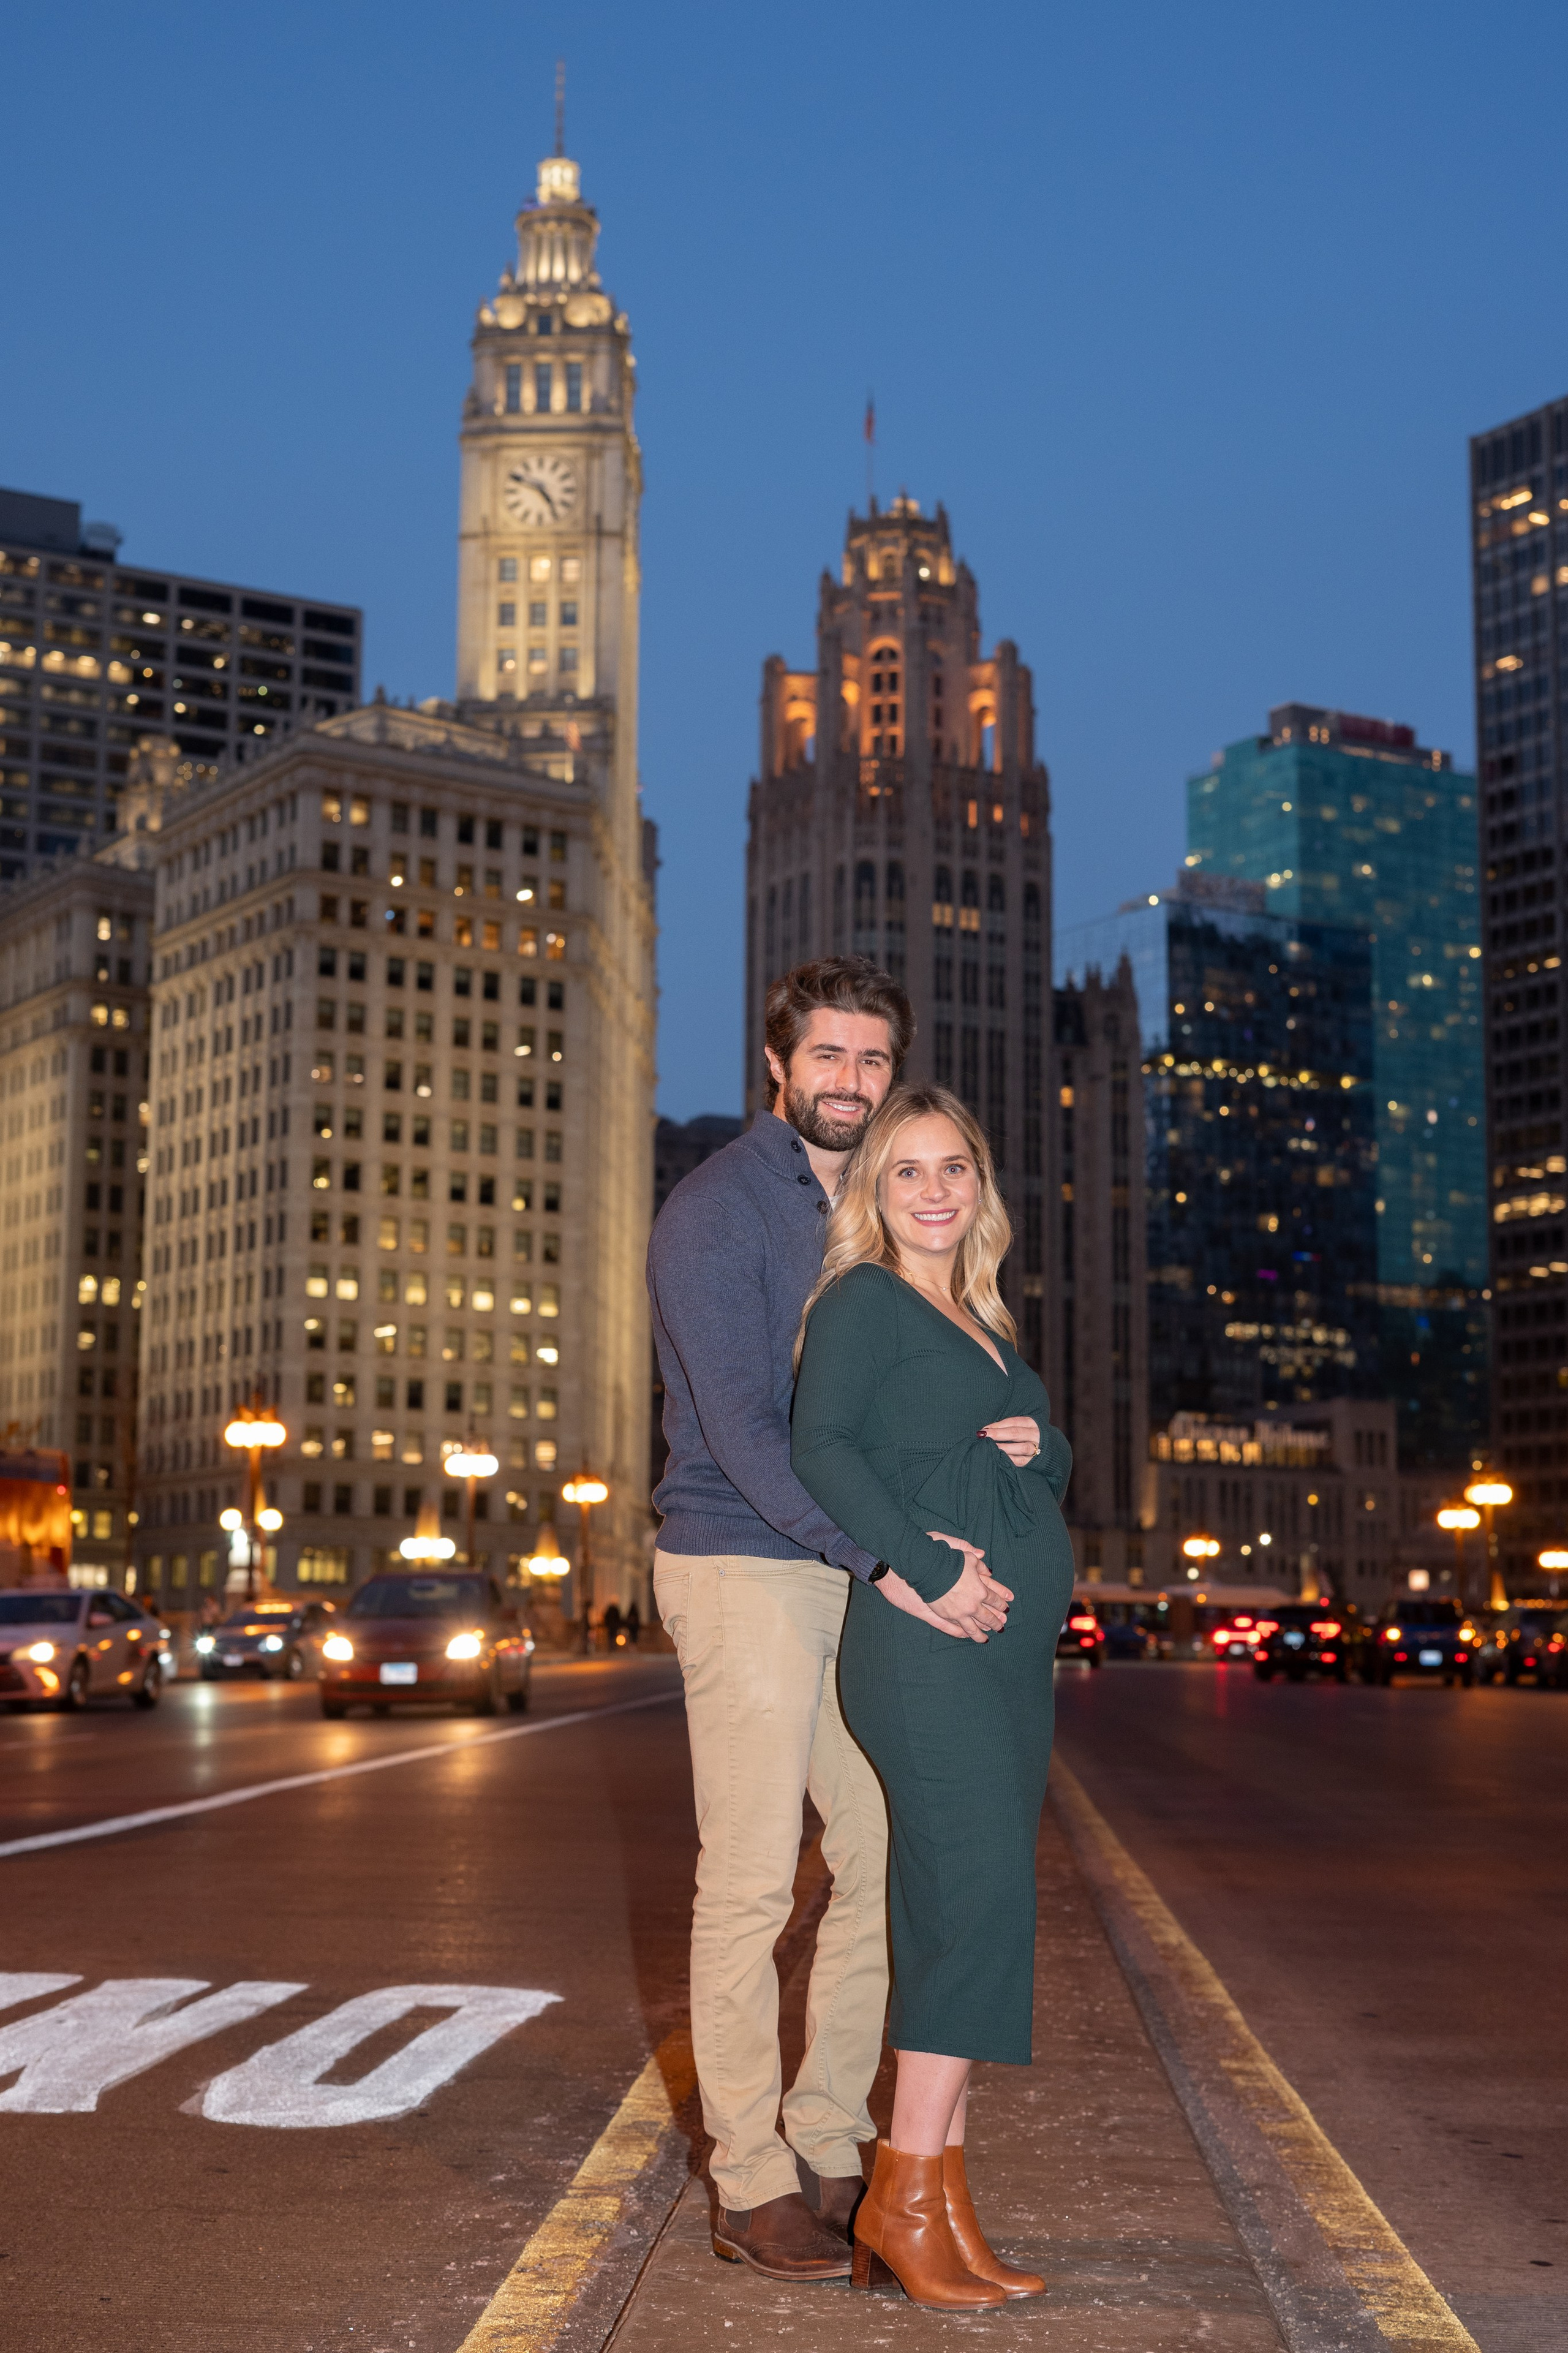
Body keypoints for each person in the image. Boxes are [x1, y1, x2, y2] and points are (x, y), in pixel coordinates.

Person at [647, 959, 1010, 2286]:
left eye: (871, 1060)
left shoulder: (871, 1207)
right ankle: (749, 2178)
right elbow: (747, 1434)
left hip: (849, 1572)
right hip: (742, 1563)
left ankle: (832, 2134)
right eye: (828, 1059)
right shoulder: (714, 1209)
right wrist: (888, 1557)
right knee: (748, 1876)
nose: (849, 1081)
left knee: (877, 1849)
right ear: (773, 1064)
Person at [791, 1081, 1074, 2311]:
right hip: (923, 1649)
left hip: (999, 1654)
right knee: (978, 1903)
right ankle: (898, 2195)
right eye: (904, 1170)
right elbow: (819, 1446)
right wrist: (913, 1565)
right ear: (871, 1190)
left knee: (952, 1909)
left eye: (953, 1167)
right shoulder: (860, 1301)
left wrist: (1034, 1447)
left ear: (980, 1185)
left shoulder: (973, 1316)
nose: (933, 1190)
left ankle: (941, 2199)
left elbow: (1040, 1450)